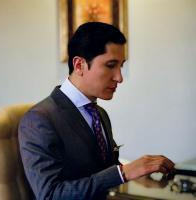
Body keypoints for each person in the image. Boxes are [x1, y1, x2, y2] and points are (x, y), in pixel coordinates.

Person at [18, 22, 175, 200]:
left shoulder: (99, 113)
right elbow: (50, 194)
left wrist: (141, 173)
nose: (119, 77)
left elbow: (105, 171)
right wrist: (124, 172)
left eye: (121, 66)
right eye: (110, 65)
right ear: (79, 65)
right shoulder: (38, 120)